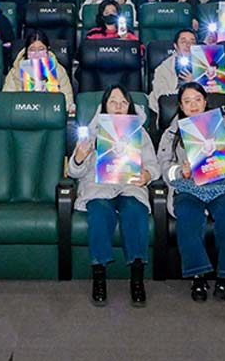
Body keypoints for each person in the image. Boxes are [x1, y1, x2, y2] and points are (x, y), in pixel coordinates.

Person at [157, 83, 225, 301]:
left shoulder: (223, 128)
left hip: (220, 186)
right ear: (180, 105)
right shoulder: (171, 133)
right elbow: (163, 168)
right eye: (187, 101)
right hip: (189, 189)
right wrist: (180, 171)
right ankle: (197, 274)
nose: (193, 105)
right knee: (188, 219)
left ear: (205, 102)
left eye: (197, 100)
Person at [67, 84, 158, 306]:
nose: (118, 107)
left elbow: (154, 166)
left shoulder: (140, 132)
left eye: (123, 102)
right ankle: (99, 277)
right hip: (99, 188)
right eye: (113, 102)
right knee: (98, 213)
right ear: (104, 106)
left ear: (129, 108)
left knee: (134, 211)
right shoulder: (92, 132)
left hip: (130, 186)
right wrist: (79, 157)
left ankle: (137, 278)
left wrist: (147, 175)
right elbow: (73, 172)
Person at [2, 30, 75, 111]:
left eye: (41, 49)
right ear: (26, 51)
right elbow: (7, 102)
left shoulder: (59, 71)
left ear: (48, 50)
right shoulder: (15, 72)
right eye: (32, 50)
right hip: (22, 117)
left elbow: (67, 101)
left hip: (50, 116)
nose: (37, 54)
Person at [148, 28, 197, 113]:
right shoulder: (163, 68)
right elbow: (162, 96)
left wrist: (196, 82)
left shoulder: (206, 64)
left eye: (192, 42)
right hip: (172, 111)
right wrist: (189, 88)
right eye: (183, 42)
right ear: (175, 46)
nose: (188, 45)